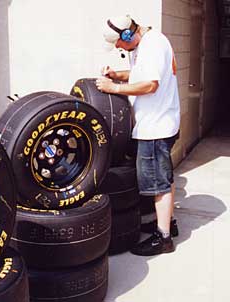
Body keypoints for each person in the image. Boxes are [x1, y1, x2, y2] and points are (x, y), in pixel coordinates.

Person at [96, 15, 180, 256]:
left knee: (157, 183)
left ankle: (162, 238)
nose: (118, 48)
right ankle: (168, 224)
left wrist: (115, 89)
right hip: (161, 122)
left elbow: (150, 85)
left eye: (119, 43)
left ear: (126, 35)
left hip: (155, 126)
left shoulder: (153, 45)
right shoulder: (145, 45)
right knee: (165, 177)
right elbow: (139, 76)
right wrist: (116, 75)